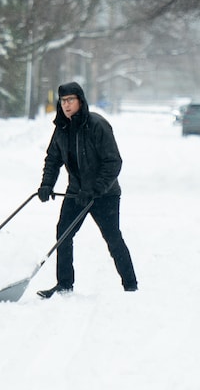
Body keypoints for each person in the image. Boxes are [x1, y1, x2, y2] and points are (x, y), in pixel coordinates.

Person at [35, 81, 138, 298]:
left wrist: (95, 189)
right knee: (63, 234)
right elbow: (53, 159)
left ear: (80, 101)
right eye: (63, 101)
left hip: (105, 194)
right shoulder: (61, 129)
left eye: (71, 100)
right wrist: (46, 185)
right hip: (75, 192)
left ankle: (130, 285)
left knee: (112, 238)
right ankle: (64, 284)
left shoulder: (98, 125)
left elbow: (113, 163)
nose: (66, 105)